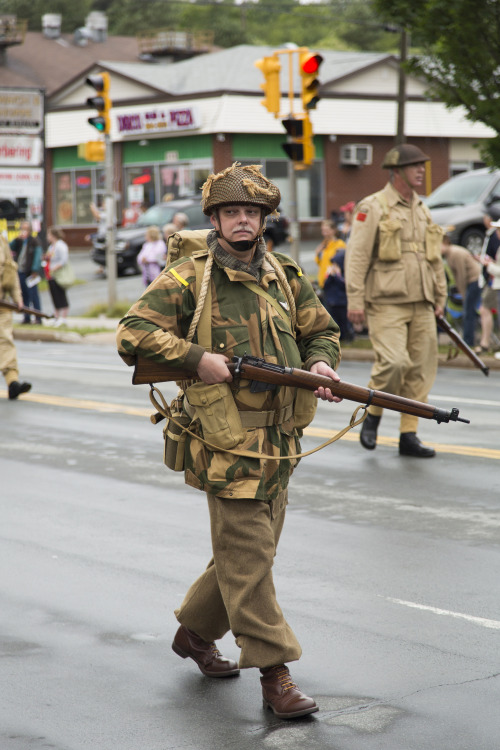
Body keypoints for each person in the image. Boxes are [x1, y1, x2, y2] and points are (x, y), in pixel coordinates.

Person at [116, 163, 342, 720]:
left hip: (282, 441)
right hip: (226, 440)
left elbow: (323, 330)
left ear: (264, 220)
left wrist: (320, 361)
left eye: (252, 213)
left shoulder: (285, 273)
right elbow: (132, 332)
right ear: (214, 219)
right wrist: (198, 359)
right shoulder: (189, 278)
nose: (242, 221)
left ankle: (195, 633)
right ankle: (275, 674)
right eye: (231, 212)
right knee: (250, 557)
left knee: (249, 555)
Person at [345, 143, 447, 458]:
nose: (421, 170)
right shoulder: (373, 206)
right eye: (415, 166)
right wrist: (355, 300)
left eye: (422, 165)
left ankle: (408, 435)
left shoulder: (422, 208)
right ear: (397, 170)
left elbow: (433, 257)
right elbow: (357, 256)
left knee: (420, 369)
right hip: (386, 301)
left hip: (422, 301)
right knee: (394, 363)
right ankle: (373, 413)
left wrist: (440, 294)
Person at [0, 234, 32, 399]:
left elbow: (10, 270)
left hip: (2, 305)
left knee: (6, 342)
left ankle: (12, 383)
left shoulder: (2, 241)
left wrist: (18, 299)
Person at [440, 233, 481, 346]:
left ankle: (468, 341)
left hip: (474, 281)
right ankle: (467, 338)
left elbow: (461, 275)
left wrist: (463, 293)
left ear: (445, 243)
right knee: (468, 311)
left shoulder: (455, 253)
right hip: (470, 282)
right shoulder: (449, 255)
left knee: (468, 311)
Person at [9, 220, 43, 324]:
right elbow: (9, 247)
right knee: (24, 296)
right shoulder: (19, 241)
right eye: (22, 229)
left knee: (33, 295)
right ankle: (26, 317)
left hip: (30, 272)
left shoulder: (34, 241)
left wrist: (35, 269)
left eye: (25, 229)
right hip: (20, 271)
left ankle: (38, 317)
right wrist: (16, 239)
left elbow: (37, 256)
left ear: (30, 230)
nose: (23, 231)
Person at [475, 215, 500, 354]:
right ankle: (485, 343)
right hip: (494, 283)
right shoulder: (493, 239)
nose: (497, 233)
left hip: (496, 284)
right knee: (484, 309)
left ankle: (485, 343)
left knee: (485, 309)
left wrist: (488, 265)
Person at [322, 245, 354, 342]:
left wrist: (336, 276)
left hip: (342, 303)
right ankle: (336, 338)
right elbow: (325, 286)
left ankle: (346, 336)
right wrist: (330, 276)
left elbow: (344, 286)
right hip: (332, 302)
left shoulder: (344, 275)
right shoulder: (331, 275)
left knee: (344, 322)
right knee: (334, 321)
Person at [45, 227, 70, 327]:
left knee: (61, 295)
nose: (47, 237)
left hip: (58, 274)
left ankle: (63, 318)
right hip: (51, 275)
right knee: (54, 296)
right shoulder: (51, 246)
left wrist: (54, 268)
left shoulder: (61, 245)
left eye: (48, 235)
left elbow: (64, 260)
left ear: (53, 235)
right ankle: (56, 317)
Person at [314, 220, 346, 290]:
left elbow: (341, 263)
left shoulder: (339, 244)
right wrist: (317, 253)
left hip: (333, 282)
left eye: (327, 231)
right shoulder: (323, 245)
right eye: (323, 231)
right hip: (323, 280)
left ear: (333, 231)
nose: (324, 233)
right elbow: (319, 263)